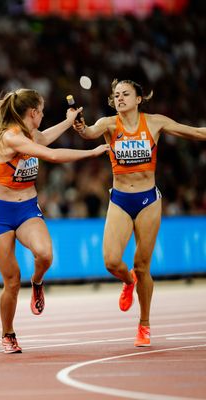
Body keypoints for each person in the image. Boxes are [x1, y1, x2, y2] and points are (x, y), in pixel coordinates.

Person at [73, 79, 206, 347]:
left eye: (125, 94)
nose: (120, 98)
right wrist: (80, 126)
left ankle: (144, 324)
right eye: (116, 95)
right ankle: (127, 281)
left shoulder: (155, 122)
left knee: (142, 265)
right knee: (111, 261)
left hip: (147, 200)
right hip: (120, 198)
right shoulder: (109, 124)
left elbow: (196, 132)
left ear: (138, 99)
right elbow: (89, 133)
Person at [0, 89, 109, 353]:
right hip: (0, 213)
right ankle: (8, 333)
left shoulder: (28, 133)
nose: (42, 115)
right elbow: (49, 154)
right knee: (12, 280)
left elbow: (44, 137)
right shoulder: (11, 137)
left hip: (27, 208)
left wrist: (67, 120)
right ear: (33, 113)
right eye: (41, 111)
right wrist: (92, 153)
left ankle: (37, 282)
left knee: (45, 254)